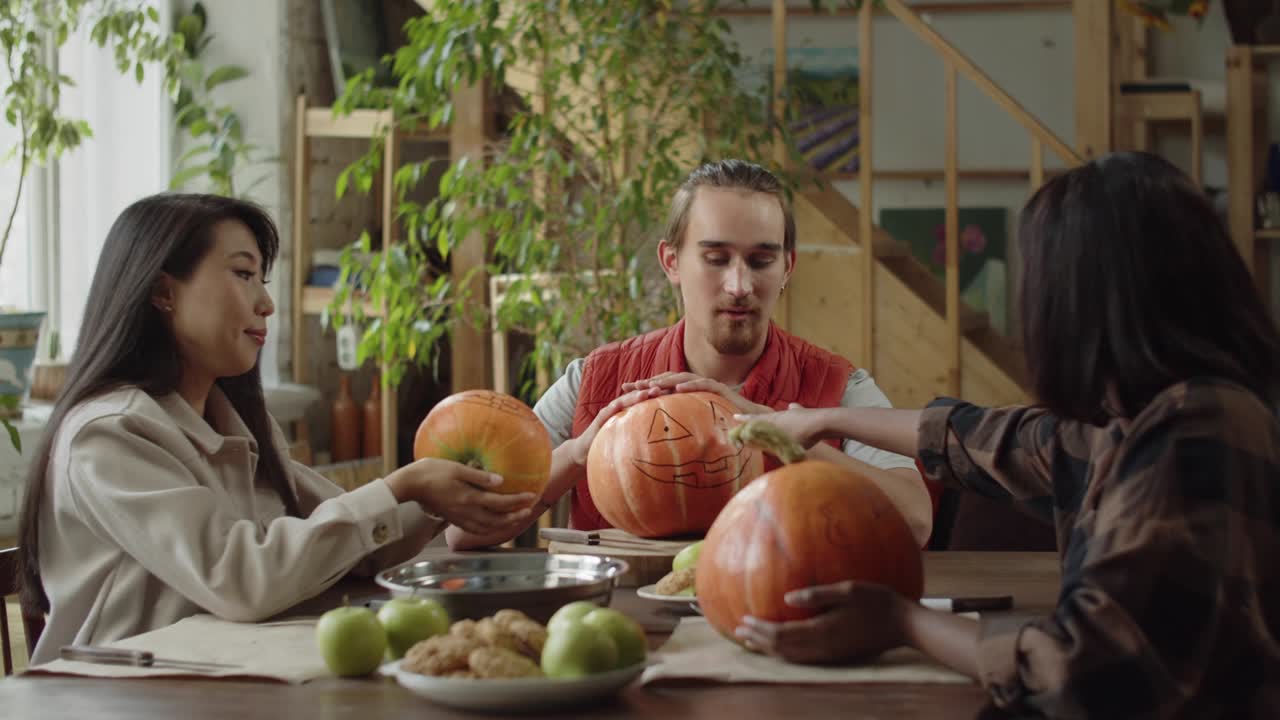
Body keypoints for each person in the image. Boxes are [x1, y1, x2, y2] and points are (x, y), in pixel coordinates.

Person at [732, 152, 1280, 717]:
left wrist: (901, 621)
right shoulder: (1146, 413)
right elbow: (994, 437)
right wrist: (826, 420)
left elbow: (1082, 673)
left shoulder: (1194, 433)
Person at [17, 194, 535, 664]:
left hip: (214, 680)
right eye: (243, 274)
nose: (266, 303)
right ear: (163, 292)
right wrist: (405, 486)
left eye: (262, 279)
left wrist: (432, 500)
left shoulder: (233, 423)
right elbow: (243, 580)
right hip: (109, 699)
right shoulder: (108, 435)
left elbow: (347, 541)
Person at [448, 159, 933, 551]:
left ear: (787, 267)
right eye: (716, 258)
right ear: (671, 262)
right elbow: (463, 531)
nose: (739, 285)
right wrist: (578, 454)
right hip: (621, 633)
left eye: (761, 261)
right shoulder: (589, 382)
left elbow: (914, 524)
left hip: (781, 629)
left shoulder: (841, 389)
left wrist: (781, 434)